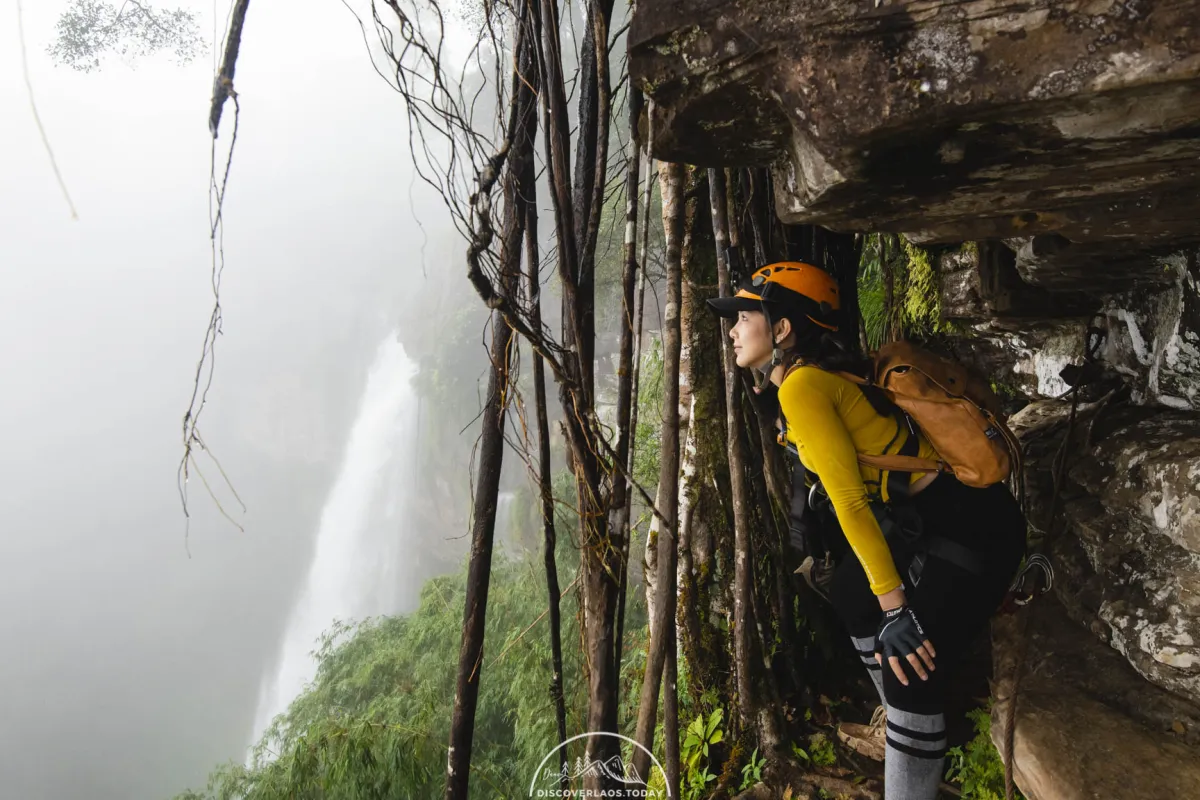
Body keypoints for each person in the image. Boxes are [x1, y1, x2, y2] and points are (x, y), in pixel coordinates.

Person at [708, 261, 1026, 800]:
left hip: (975, 526)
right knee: (854, 591)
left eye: (744, 317)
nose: (734, 330)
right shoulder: (810, 378)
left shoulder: (803, 387)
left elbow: (852, 501)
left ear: (782, 329)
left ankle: (912, 730)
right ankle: (908, 730)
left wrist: (898, 609)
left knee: (908, 665)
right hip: (933, 518)